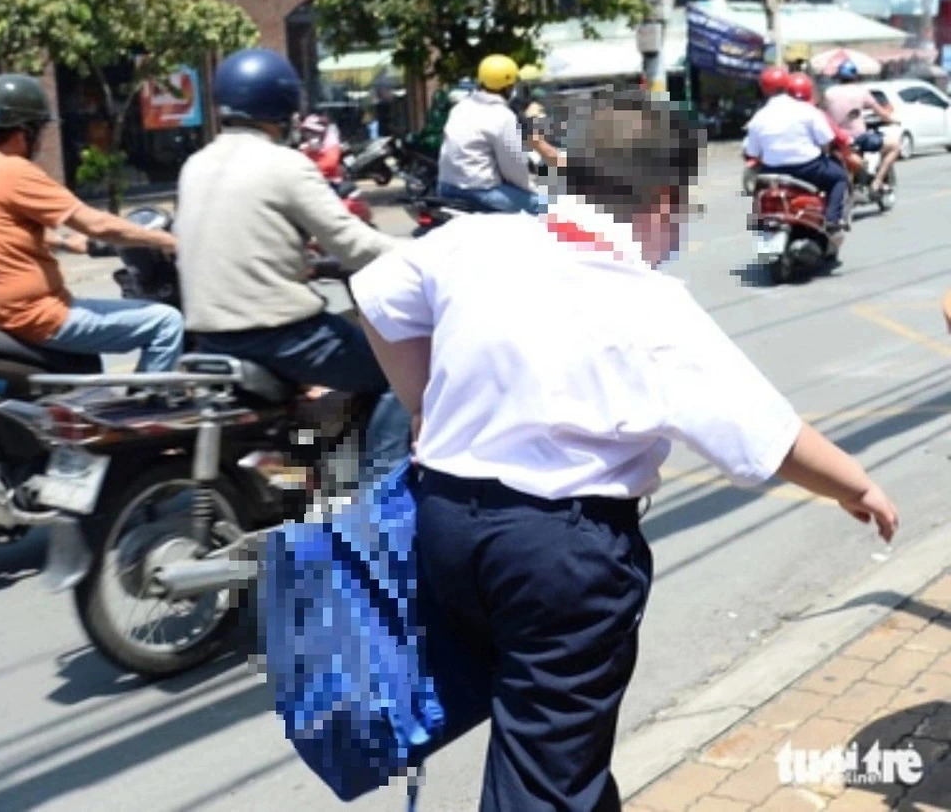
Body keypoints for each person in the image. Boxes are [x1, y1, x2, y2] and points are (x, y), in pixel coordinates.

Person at [349, 90, 899, 812]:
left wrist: (422, 403)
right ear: (664, 201)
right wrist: (855, 484)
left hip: (445, 524)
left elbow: (375, 298)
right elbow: (766, 435)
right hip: (559, 554)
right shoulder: (647, 299)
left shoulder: (475, 239)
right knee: (545, 769)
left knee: (552, 736)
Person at [173, 48, 409, 482]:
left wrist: (305, 264)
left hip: (208, 335)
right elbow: (354, 245)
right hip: (281, 335)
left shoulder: (194, 165)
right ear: (283, 105)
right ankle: (385, 496)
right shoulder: (285, 165)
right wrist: (425, 255)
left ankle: (310, 464)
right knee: (405, 371)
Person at [0, 73, 183, 372]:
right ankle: (148, 411)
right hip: (34, 316)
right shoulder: (13, 171)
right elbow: (94, 223)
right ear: (23, 133)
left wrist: (66, 244)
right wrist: (166, 240)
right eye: (38, 131)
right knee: (166, 322)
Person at [744, 65, 850, 231]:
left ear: (764, 89)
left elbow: (752, 153)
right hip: (808, 168)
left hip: (772, 171)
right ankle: (832, 220)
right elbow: (826, 140)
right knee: (839, 177)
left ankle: (758, 219)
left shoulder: (758, 117)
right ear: (787, 85)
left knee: (759, 187)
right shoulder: (806, 109)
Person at [437, 54, 540, 214]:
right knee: (545, 206)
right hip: (480, 193)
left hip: (446, 188)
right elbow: (513, 166)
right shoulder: (503, 116)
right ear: (508, 88)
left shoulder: (459, 108)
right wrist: (531, 189)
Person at [822, 60, 900, 198]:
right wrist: (894, 120)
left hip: (835, 140)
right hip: (858, 139)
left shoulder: (828, 93)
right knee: (894, 146)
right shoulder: (861, 92)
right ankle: (877, 181)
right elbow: (881, 113)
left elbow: (822, 112)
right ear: (855, 76)